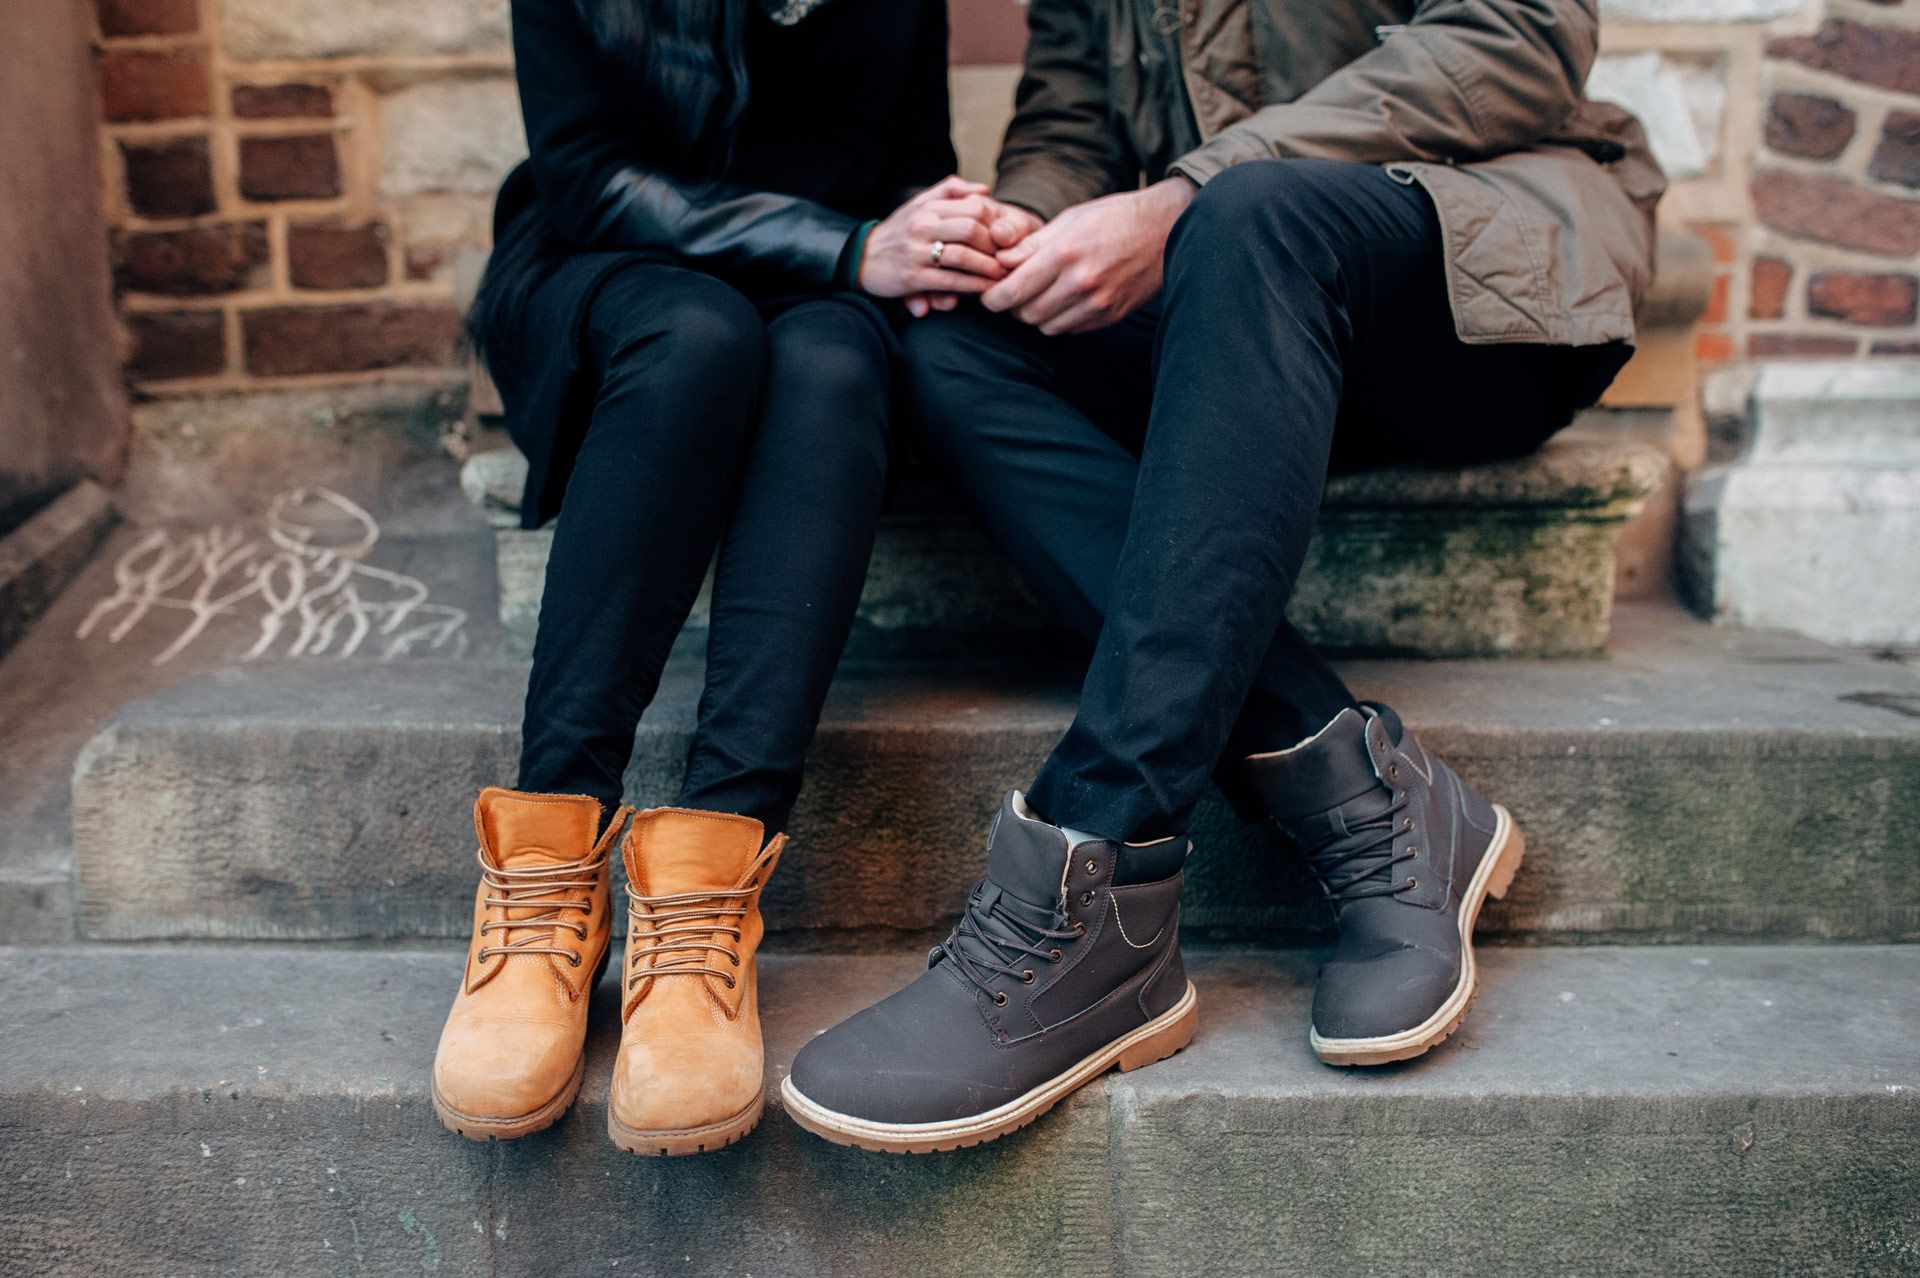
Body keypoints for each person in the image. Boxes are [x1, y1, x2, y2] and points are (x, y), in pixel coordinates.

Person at [782, 0, 1664, 1153]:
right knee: (947, 343)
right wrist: (1023, 230)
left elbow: (1517, 44)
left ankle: (1094, 868)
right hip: (1234, 301)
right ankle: (1367, 789)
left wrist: (1186, 193)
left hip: (1479, 280)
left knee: (1254, 215)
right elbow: (1072, 118)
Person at [430, 0, 1010, 1156]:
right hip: (608, 272)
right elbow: (589, 177)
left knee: (833, 366)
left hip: (820, 293)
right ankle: (548, 878)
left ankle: (708, 886)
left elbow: (908, 175)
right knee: (701, 339)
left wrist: (929, 240)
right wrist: (848, 247)